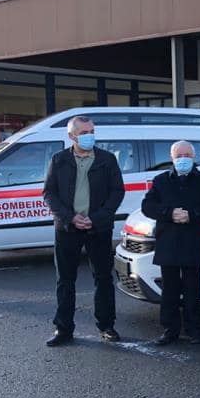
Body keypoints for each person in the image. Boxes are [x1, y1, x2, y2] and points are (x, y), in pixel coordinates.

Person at [43, 116, 125, 347]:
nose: (90, 135)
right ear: (72, 136)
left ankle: (107, 326)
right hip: (67, 227)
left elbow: (117, 192)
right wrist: (70, 217)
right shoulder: (59, 160)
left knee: (103, 278)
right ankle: (63, 329)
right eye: (84, 131)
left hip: (98, 227)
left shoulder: (107, 160)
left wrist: (97, 218)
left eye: (92, 130)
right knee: (65, 280)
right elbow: (49, 194)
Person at [140, 140, 200, 346]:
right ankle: (170, 330)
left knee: (193, 288)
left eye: (187, 155)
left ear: (193, 158)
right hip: (168, 241)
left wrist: (192, 215)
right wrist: (169, 213)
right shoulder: (161, 181)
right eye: (179, 156)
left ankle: (194, 329)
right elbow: (147, 206)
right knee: (170, 289)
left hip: (192, 241)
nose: (183, 159)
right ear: (172, 158)